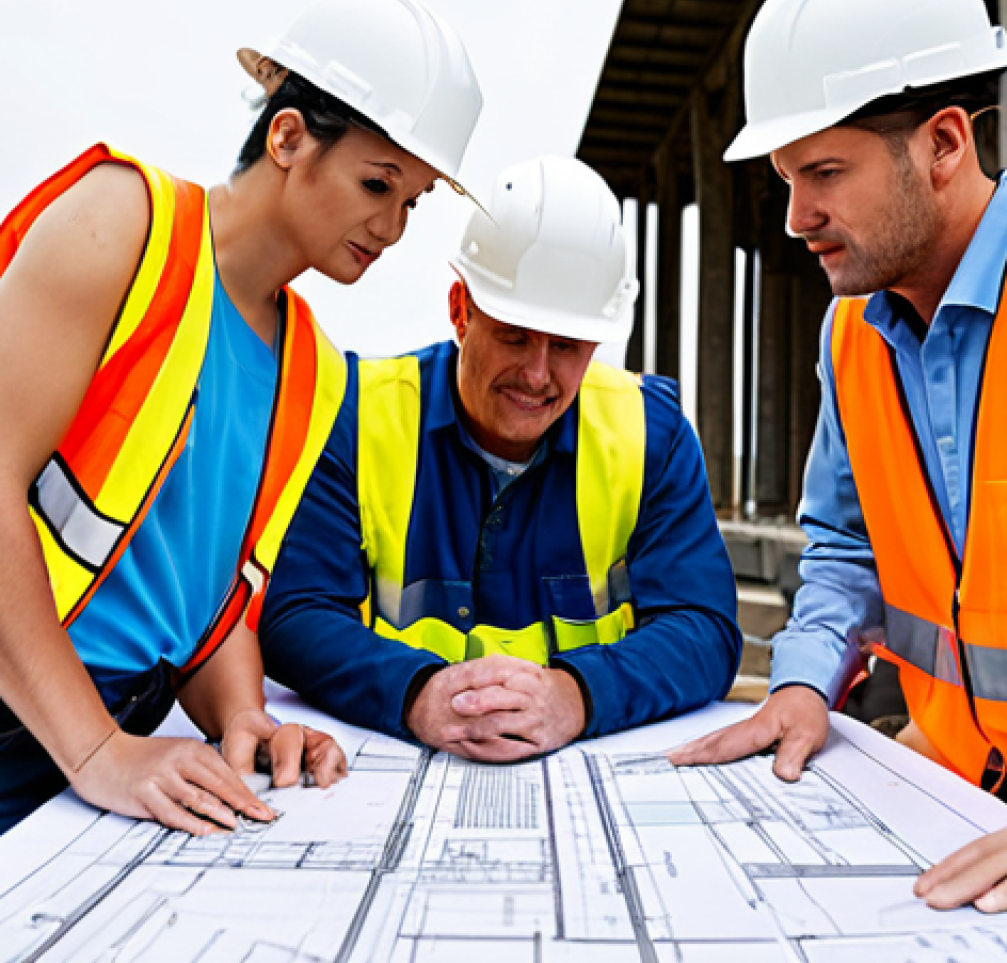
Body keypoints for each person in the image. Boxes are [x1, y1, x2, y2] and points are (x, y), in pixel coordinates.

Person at [0, 0, 482, 836]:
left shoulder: (314, 367)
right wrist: (95, 751)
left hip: (116, 736)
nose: (394, 227)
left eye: (413, 201)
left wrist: (241, 717)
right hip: (36, 722)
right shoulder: (122, 225)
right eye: (378, 183)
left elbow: (204, 590)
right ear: (287, 135)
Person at [666, 0, 1007, 914]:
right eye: (786, 177)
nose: (794, 216)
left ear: (944, 143)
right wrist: (802, 683)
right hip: (954, 798)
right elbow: (844, 544)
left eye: (822, 171)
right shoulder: (851, 334)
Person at [259, 155, 740, 762]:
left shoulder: (651, 435)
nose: (537, 375)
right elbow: (294, 615)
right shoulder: (352, 416)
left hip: (578, 765)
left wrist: (577, 696)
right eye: (514, 335)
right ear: (461, 309)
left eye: (566, 346)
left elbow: (704, 629)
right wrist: (418, 694)